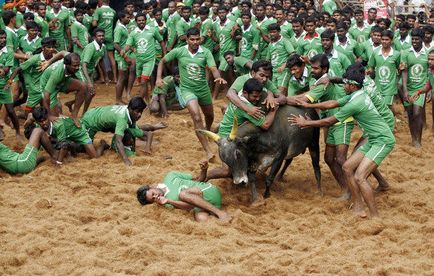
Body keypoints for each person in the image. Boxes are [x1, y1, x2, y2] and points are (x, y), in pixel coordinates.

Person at [289, 66, 396, 218]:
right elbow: (332, 103)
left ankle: (375, 216)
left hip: (382, 140)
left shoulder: (355, 103)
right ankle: (359, 207)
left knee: (360, 176)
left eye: (345, 84)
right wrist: (309, 105)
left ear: (352, 86)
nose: (343, 86)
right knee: (346, 167)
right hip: (373, 138)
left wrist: (306, 123)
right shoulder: (357, 94)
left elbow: (329, 120)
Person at [286, 54, 354, 200]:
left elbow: (303, 99)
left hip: (342, 121)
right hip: (331, 121)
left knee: (341, 159)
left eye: (316, 68)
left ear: (325, 69)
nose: (312, 70)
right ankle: (347, 188)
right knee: (329, 159)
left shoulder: (324, 83)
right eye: (311, 67)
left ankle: (354, 188)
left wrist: (281, 99)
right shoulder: (321, 80)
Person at [156, 27, 226, 161]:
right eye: (192, 39)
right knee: (196, 116)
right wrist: (159, 78)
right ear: (187, 40)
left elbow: (213, 68)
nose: (195, 42)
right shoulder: (179, 51)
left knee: (209, 115)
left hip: (203, 89)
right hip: (187, 90)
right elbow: (162, 61)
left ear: (200, 39)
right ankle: (208, 151)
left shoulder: (205, 52)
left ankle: (208, 129)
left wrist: (217, 77)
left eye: (197, 39)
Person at [136, 161, 232, 223]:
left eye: (153, 194)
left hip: (208, 191)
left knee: (183, 194)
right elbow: (190, 206)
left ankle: (220, 213)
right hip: (204, 205)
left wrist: (204, 170)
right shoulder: (166, 202)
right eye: (153, 199)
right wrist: (168, 201)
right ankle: (223, 218)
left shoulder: (171, 175)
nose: (156, 196)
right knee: (201, 220)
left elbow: (199, 180)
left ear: (152, 187)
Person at [80, 97, 160, 165]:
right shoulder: (122, 119)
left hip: (98, 115)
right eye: (137, 112)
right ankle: (103, 145)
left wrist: (147, 148)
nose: (139, 115)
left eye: (141, 112)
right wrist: (126, 160)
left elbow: (137, 132)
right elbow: (118, 141)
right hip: (90, 121)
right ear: (131, 109)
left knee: (126, 130)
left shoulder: (130, 112)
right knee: (85, 151)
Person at [32, 107, 107, 165]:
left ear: (47, 116)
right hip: (68, 136)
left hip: (80, 133)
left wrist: (59, 163)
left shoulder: (58, 125)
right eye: (40, 121)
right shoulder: (37, 123)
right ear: (37, 121)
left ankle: (103, 145)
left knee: (95, 157)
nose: (44, 122)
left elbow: (63, 145)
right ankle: (73, 150)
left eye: (45, 119)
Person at [124, 13, 166, 102]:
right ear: (136, 22)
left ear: (145, 21)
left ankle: (139, 103)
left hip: (149, 60)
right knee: (143, 83)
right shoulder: (133, 33)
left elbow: (161, 41)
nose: (141, 22)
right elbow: (128, 45)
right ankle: (147, 101)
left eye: (143, 20)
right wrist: (124, 51)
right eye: (139, 20)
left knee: (143, 81)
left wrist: (164, 54)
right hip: (139, 61)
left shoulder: (153, 30)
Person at [401, 29, 428, 147]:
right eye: (413, 39)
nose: (415, 41)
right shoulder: (406, 53)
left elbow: (430, 72)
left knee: (417, 113)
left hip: (421, 89)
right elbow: (404, 72)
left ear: (422, 39)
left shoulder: (428, 53)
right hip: (409, 87)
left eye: (417, 39)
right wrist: (405, 89)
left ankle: (418, 140)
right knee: (411, 114)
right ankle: (413, 137)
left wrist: (429, 89)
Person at [41, 53, 87, 119]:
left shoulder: (70, 56)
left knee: (83, 87)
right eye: (74, 66)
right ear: (67, 65)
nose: (77, 68)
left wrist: (49, 62)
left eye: (78, 65)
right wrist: (49, 116)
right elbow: (46, 96)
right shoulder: (57, 74)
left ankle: (74, 115)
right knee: (55, 117)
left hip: (63, 80)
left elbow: (62, 52)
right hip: (48, 85)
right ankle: (32, 117)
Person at [73, 28, 107, 115]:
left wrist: (105, 75)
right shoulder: (91, 47)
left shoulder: (103, 47)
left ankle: (80, 110)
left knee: (90, 93)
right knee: (87, 90)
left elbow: (101, 61)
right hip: (81, 69)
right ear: (94, 38)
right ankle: (76, 113)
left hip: (90, 71)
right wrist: (89, 82)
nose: (101, 37)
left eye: (102, 35)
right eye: (99, 36)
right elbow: (84, 65)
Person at [92, 0, 117, 82]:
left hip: (99, 35)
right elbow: (114, 24)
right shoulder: (113, 11)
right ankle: (115, 78)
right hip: (109, 35)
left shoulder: (98, 10)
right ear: (109, 1)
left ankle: (103, 78)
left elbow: (94, 24)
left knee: (98, 57)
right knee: (111, 57)